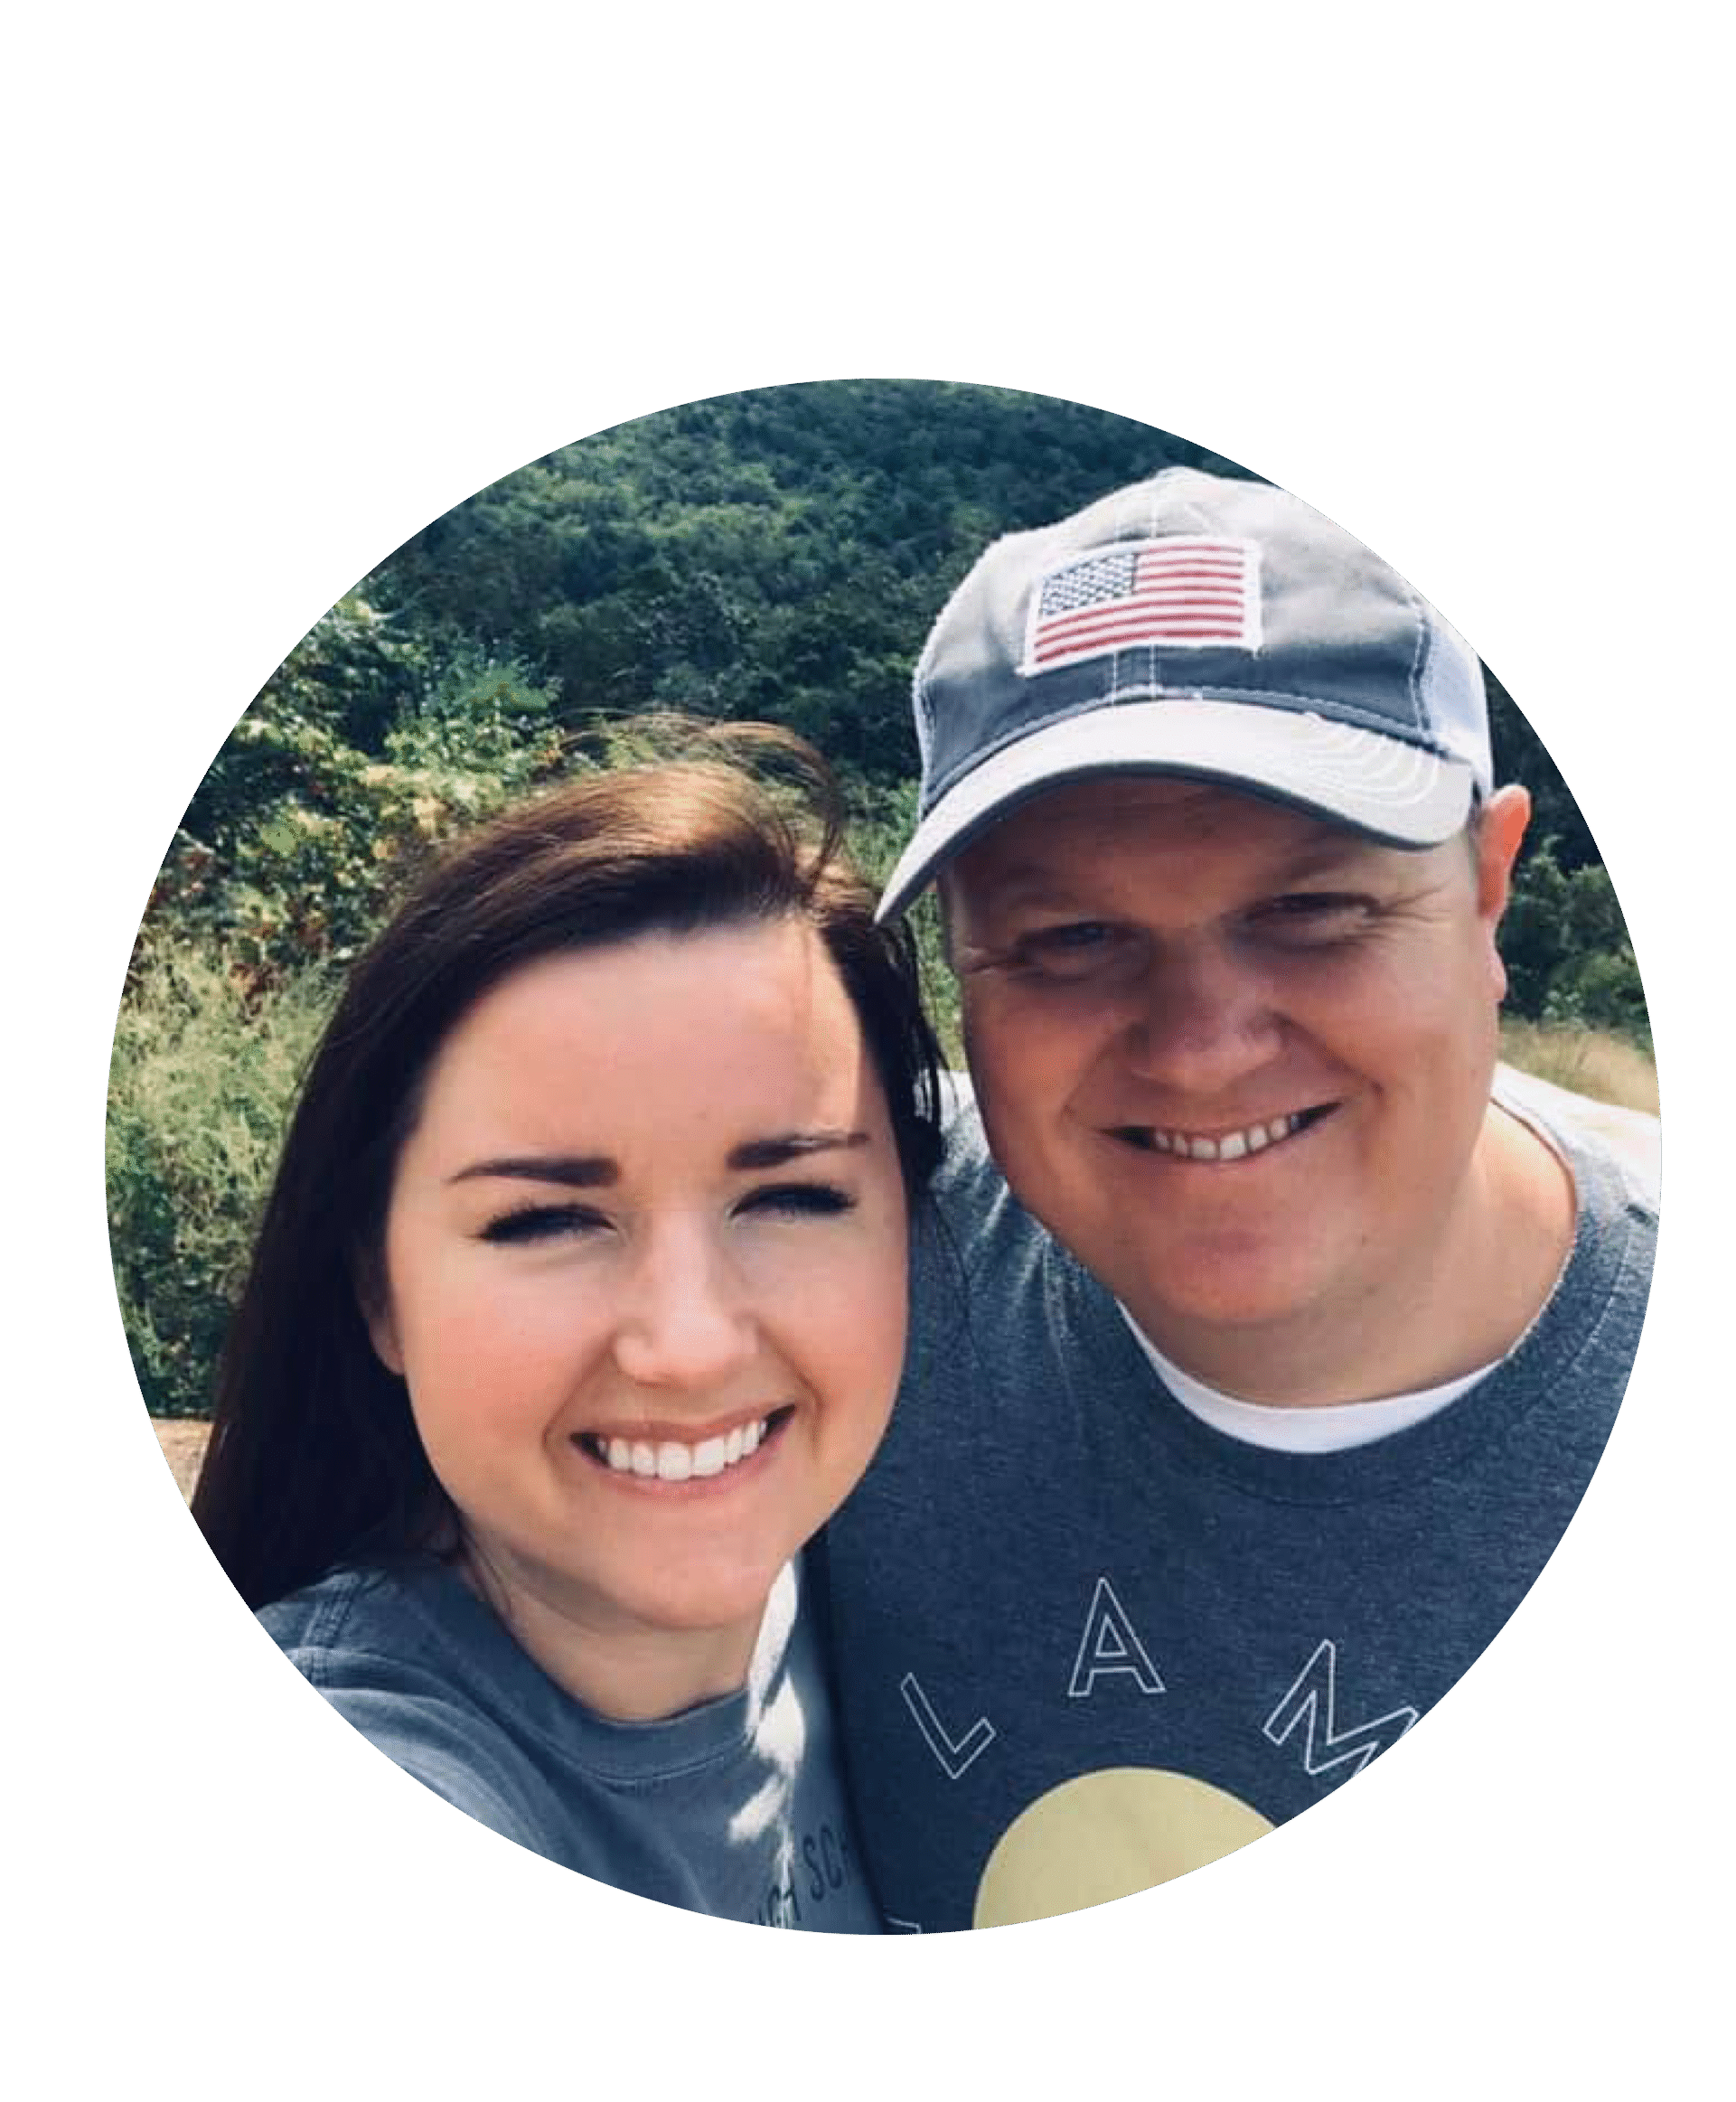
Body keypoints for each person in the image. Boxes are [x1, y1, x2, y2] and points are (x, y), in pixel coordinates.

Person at [821, 468, 1659, 1932]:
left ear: (1488, 889)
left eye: (1310, 910)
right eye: (1067, 937)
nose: (1203, 1048)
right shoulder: (828, 1266)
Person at [193, 735, 943, 1930]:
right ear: (378, 1292)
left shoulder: (846, 1577)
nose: (689, 1345)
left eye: (792, 1197)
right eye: (545, 1220)